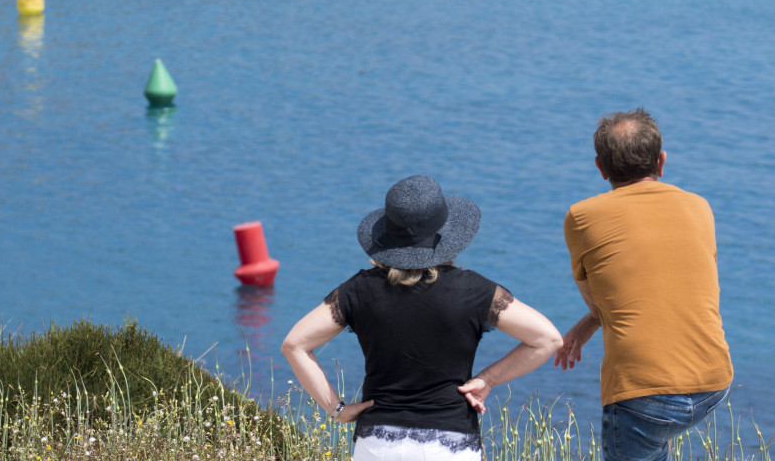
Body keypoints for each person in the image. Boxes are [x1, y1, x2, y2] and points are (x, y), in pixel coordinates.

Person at [282, 174, 562, 461]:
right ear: (447, 235)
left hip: (378, 445)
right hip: (451, 446)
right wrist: (488, 379)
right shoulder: (474, 290)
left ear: (388, 238)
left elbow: (295, 344)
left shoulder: (359, 290)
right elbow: (547, 339)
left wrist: (337, 410)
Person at [555, 109, 733, 461]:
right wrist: (588, 324)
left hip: (643, 393)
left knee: (652, 420)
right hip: (713, 381)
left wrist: (587, 321)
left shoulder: (582, 216)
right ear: (661, 162)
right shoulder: (699, 207)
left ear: (600, 168)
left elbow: (599, 302)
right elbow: (676, 280)